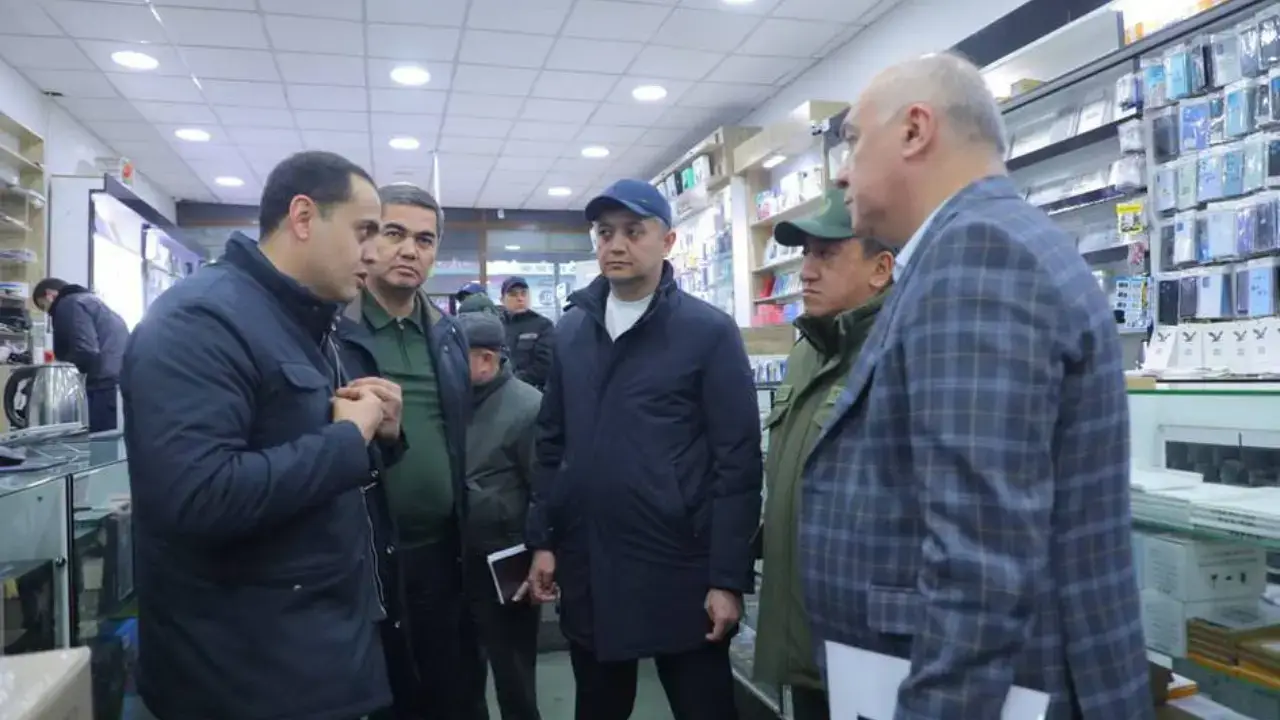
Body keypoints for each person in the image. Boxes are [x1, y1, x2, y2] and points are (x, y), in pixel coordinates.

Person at [800, 52, 1151, 719]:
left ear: (914, 130)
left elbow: (980, 563)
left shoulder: (978, 254)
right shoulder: (979, 245)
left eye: (853, 140)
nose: (841, 171)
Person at [121, 150, 407, 720]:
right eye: (364, 231)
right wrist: (346, 441)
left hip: (315, 653)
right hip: (244, 677)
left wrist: (380, 437)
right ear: (303, 217)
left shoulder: (306, 322)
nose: (376, 254)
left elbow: (307, 466)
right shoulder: (199, 322)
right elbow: (198, 496)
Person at [524, 178, 762, 720]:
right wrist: (544, 541)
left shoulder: (708, 332)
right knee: (599, 707)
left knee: (703, 706)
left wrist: (727, 579)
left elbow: (738, 464)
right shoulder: (572, 332)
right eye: (605, 233)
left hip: (680, 566)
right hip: (592, 563)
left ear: (668, 241)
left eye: (634, 232)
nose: (616, 244)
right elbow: (551, 444)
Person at [752, 188, 895, 720]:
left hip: (872, 644)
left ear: (881, 269)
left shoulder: (902, 354)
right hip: (803, 640)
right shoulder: (806, 353)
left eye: (827, 255)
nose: (806, 272)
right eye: (806, 254)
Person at [342, 183, 481, 720]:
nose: (409, 250)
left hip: (444, 555)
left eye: (424, 240)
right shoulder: (334, 331)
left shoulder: (448, 335)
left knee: (452, 693)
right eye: (393, 233)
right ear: (367, 239)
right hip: (366, 560)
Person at [454, 307, 543, 720]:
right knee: (461, 675)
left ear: (486, 359)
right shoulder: (452, 402)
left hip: (506, 563)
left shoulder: (528, 408)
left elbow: (545, 491)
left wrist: (541, 556)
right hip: (455, 558)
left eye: (454, 356)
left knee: (514, 675)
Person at [32, 278, 128, 431]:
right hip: (118, 384)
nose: (48, 313)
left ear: (50, 295)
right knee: (112, 439)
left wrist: (63, 371)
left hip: (100, 387)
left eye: (44, 306)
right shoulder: (94, 303)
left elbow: (85, 351)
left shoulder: (69, 304)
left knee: (98, 441)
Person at [499, 276, 554, 390]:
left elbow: (545, 364)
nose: (520, 298)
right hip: (500, 391)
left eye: (523, 294)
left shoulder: (543, 325)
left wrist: (514, 382)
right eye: (513, 294)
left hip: (533, 391)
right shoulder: (497, 326)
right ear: (502, 300)